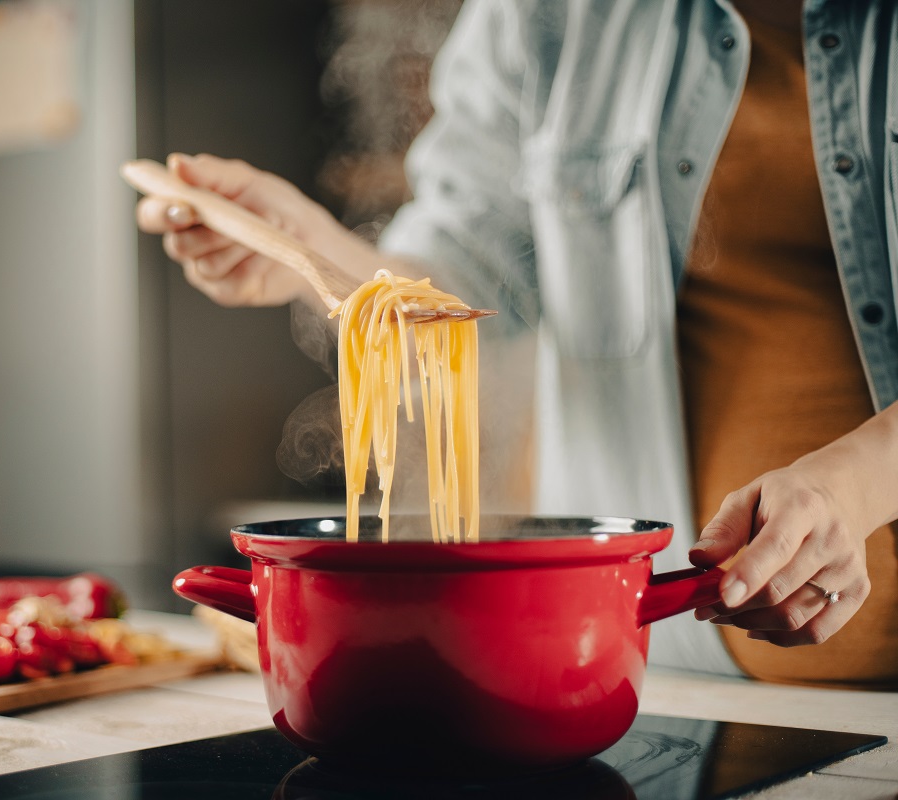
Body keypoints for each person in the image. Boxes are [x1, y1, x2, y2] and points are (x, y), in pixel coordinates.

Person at [135, 0, 898, 686]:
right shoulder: (544, 13)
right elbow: (467, 283)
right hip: (635, 668)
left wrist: (853, 486)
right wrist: (307, 246)